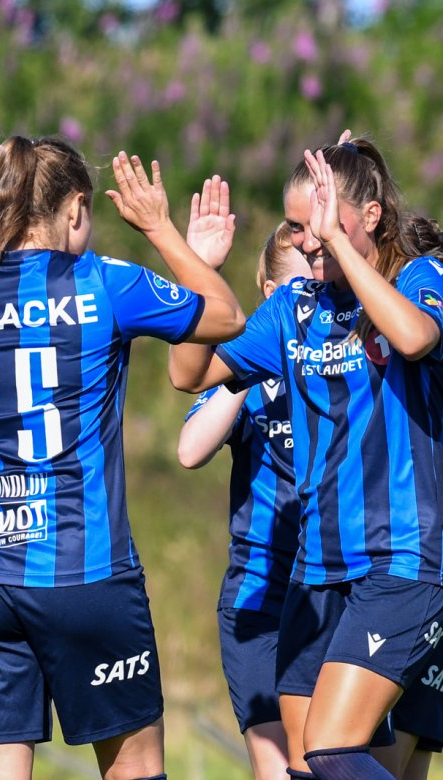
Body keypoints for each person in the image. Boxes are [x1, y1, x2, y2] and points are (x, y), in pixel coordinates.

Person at [0, 133, 245, 779]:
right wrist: (161, 231)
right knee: (134, 768)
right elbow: (227, 316)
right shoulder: (103, 282)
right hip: (83, 570)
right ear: (75, 210)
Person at [168, 139, 443, 780]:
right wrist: (198, 273)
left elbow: (414, 337)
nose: (307, 238)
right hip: (315, 572)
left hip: (399, 562)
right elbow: (189, 374)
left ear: (371, 215)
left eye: (318, 221)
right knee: (307, 765)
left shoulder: (420, 278)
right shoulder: (294, 308)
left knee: (332, 749)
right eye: (296, 225)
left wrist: (339, 243)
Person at [176, 221, 311, 779]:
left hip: (334, 589)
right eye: (301, 287)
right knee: (277, 768)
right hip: (258, 595)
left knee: (331, 760)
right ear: (272, 293)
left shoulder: (346, 360)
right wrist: (251, 371)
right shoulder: (244, 372)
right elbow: (190, 450)